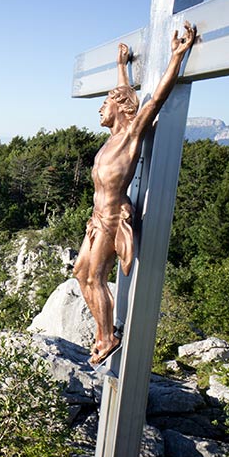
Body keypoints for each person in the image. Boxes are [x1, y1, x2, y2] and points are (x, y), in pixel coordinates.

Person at [74, 21, 197, 365]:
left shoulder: (130, 137)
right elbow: (124, 93)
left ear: (121, 108)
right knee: (80, 273)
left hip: (112, 219)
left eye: (105, 104)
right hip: (96, 219)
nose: (100, 108)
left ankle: (106, 336)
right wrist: (121, 68)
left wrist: (176, 57)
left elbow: (155, 98)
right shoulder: (112, 138)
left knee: (95, 276)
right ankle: (104, 331)